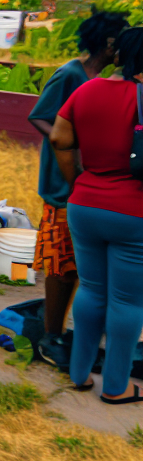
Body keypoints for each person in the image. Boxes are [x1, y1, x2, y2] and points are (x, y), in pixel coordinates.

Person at [30, 11, 129, 371]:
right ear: (108, 44)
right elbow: (40, 115)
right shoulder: (71, 74)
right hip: (61, 182)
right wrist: (69, 145)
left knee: (77, 263)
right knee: (62, 264)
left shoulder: (98, 79)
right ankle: (50, 335)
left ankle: (63, 331)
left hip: (83, 180)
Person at [50, 25, 143, 404]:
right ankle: (117, 387)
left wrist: (77, 181)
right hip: (133, 212)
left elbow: (58, 138)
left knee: (91, 289)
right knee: (128, 301)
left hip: (85, 205)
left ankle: (78, 374)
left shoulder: (86, 89)